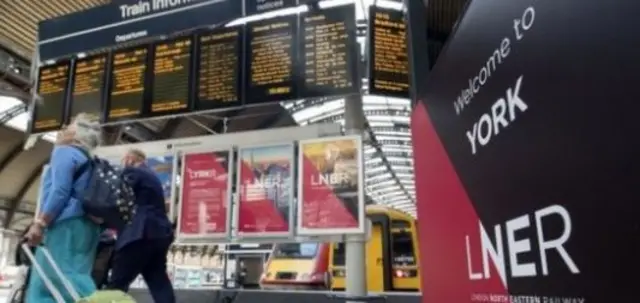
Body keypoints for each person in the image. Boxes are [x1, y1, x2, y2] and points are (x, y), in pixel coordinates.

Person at [24, 113, 103, 303]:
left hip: (65, 224)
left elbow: (60, 191)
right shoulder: (90, 161)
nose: (64, 129)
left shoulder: (65, 152)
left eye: (69, 126)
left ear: (77, 133)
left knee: (47, 280)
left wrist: (40, 223)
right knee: (76, 274)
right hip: (88, 227)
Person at [107, 149, 175, 303]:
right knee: (158, 281)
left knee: (117, 282)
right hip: (160, 234)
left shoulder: (133, 172)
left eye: (123, 159)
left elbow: (117, 194)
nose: (123, 163)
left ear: (130, 159)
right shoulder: (153, 177)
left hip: (139, 233)